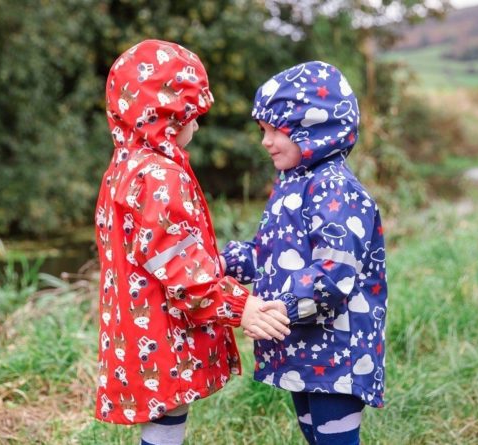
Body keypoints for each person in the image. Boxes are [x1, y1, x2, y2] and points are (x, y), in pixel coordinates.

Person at [95, 39, 289, 444]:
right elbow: (180, 266)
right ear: (161, 116)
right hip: (161, 327)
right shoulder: (158, 176)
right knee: (168, 410)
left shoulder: (125, 166)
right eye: (190, 115)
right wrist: (241, 306)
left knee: (165, 411)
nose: (197, 126)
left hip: (136, 323)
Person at [220, 61, 388, 445]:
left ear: (312, 130)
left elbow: (335, 272)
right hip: (304, 347)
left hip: (337, 353)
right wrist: (225, 263)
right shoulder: (292, 185)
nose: (265, 141)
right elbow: (270, 255)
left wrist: (284, 309)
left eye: (274, 130)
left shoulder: (335, 190)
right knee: (315, 435)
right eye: (261, 130)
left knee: (334, 439)